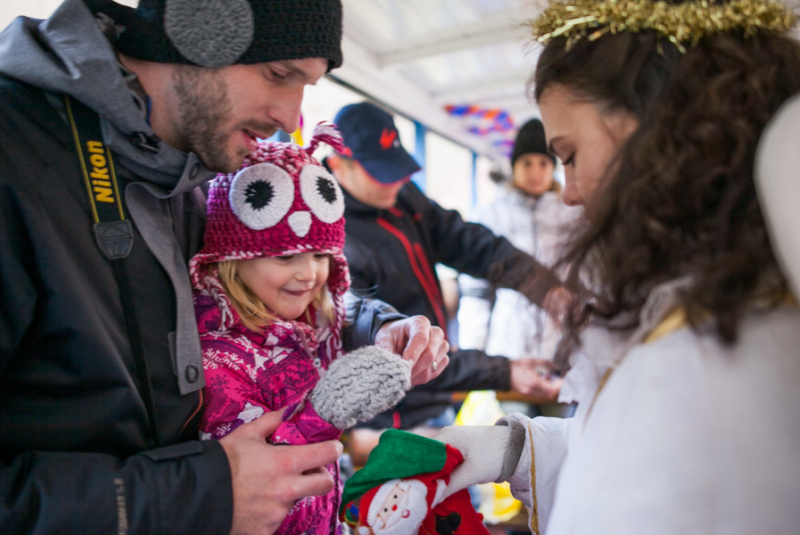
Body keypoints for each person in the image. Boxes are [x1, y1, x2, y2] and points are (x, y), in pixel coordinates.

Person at [0, 1, 449, 533]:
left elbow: (274, 296)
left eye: (307, 85)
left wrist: (379, 325)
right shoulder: (16, 151)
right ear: (198, 31)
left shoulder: (198, 176)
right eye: (279, 73)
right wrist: (194, 494)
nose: (289, 115)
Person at [429, 0, 800, 533]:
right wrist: (511, 449)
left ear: (660, 133)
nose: (571, 193)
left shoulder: (696, 366)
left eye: (570, 155)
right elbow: (621, 448)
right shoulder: (715, 308)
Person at [192, 131, 415, 535]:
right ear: (231, 261)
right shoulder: (218, 361)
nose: (309, 273)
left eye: (320, 255)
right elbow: (259, 494)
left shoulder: (301, 331)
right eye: (285, 255)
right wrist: (324, 414)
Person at [326, 102, 571, 431]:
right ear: (338, 166)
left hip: (437, 397)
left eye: (397, 169)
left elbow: (472, 244)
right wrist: (503, 371)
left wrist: (546, 289)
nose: (396, 183)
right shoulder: (334, 242)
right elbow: (400, 349)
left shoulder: (401, 198)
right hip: (392, 420)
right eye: (382, 174)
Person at [458, 118, 581, 378]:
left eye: (544, 163)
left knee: (561, 419)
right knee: (510, 419)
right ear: (514, 166)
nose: (535, 172)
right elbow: (475, 293)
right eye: (527, 163)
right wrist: (473, 356)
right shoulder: (490, 215)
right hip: (508, 353)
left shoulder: (574, 215)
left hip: (562, 351)